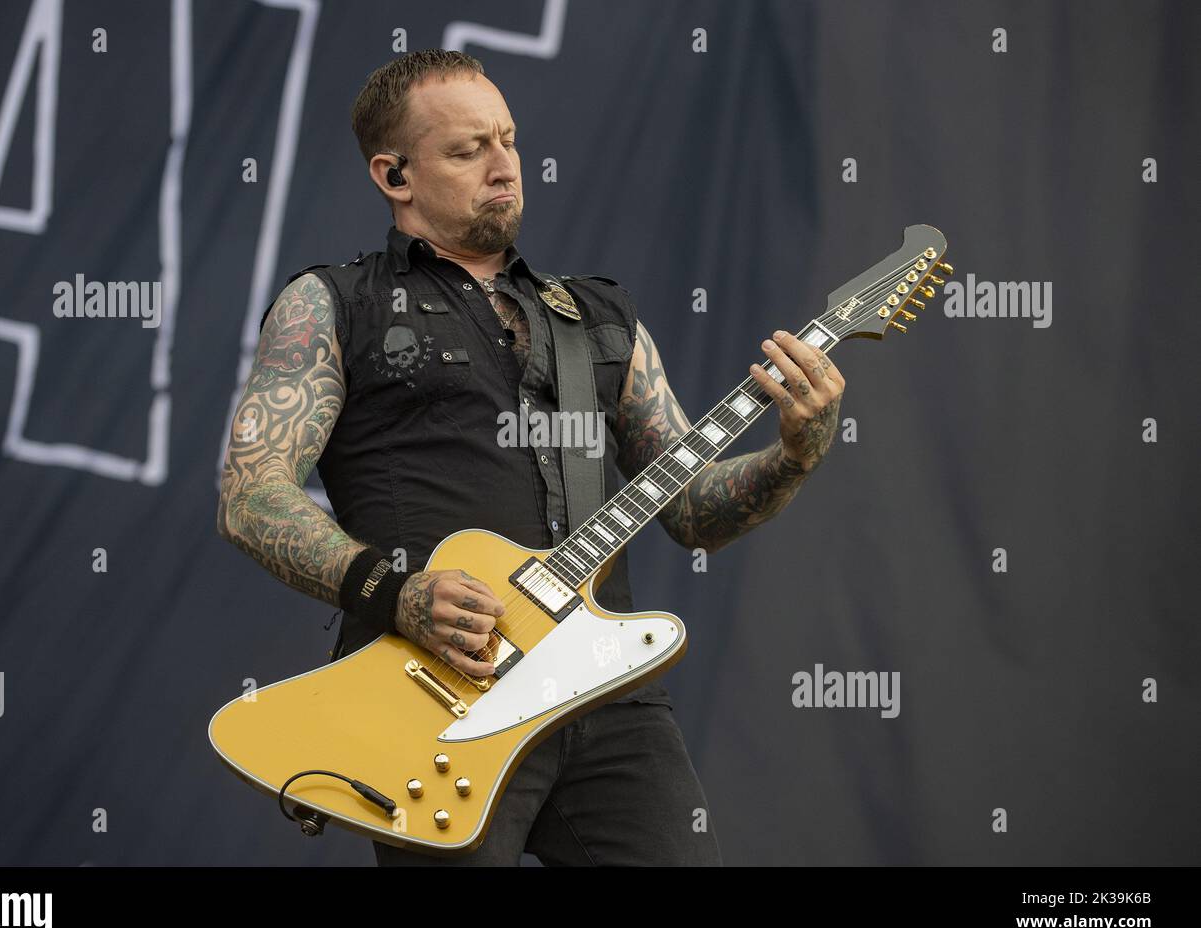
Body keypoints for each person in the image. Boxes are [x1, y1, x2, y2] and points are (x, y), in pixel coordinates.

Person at [216, 50, 845, 866]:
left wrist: (798, 450)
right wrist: (399, 594)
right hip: (433, 699)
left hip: (606, 701)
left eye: (508, 140)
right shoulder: (334, 304)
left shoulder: (597, 316)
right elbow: (251, 496)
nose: (505, 166)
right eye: (467, 149)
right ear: (394, 175)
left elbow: (696, 512)